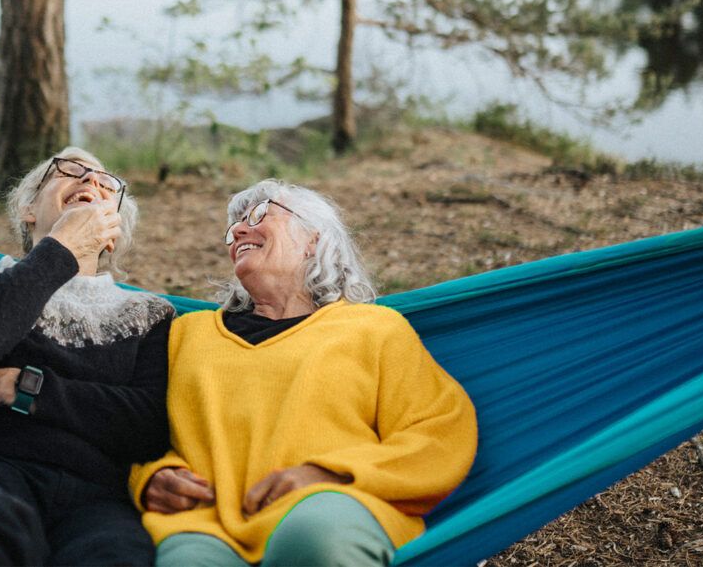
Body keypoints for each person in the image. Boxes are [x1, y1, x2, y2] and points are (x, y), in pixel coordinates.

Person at [132, 179, 477, 567]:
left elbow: (439, 430)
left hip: (330, 510)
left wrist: (331, 475)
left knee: (312, 538)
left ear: (313, 239)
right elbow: (136, 430)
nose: (240, 232)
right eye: (234, 228)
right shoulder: (185, 335)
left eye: (259, 215)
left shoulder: (374, 329)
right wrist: (152, 478)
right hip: (208, 525)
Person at [0, 148, 173, 566]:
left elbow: (147, 424)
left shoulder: (148, 316)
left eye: (105, 181)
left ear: (112, 231)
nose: (91, 181)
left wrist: (16, 386)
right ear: (28, 208)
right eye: (71, 170)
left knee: (116, 555)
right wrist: (63, 246)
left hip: (97, 498)